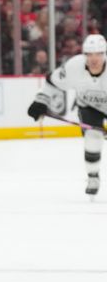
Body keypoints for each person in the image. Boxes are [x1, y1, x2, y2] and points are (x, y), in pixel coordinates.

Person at [28, 33, 107, 197]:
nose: (94, 59)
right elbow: (52, 82)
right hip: (89, 106)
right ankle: (93, 176)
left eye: (98, 54)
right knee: (93, 138)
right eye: (89, 54)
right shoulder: (74, 66)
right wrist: (41, 101)